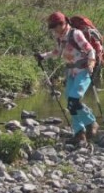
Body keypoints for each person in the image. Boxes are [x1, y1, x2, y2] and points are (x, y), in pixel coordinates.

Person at [35, 11, 99, 145]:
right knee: (70, 104)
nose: (53, 30)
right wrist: (43, 56)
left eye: (54, 26)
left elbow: (90, 49)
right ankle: (79, 133)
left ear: (62, 24)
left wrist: (91, 63)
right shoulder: (60, 37)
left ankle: (91, 122)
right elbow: (57, 52)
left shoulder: (76, 34)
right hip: (71, 73)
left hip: (83, 70)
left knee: (74, 99)